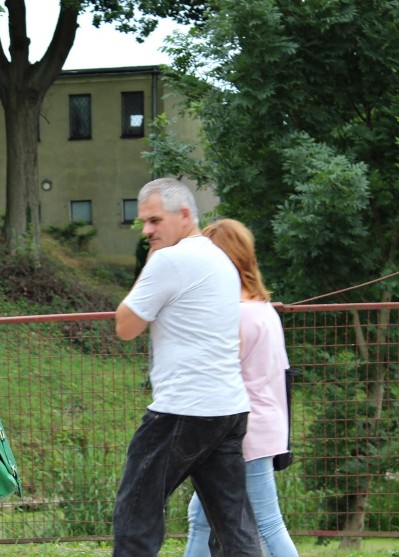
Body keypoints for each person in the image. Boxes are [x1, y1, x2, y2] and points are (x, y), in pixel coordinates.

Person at [112, 177, 260, 557]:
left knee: (136, 512)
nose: (146, 230)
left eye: (155, 221)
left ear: (184, 215)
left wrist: (148, 271)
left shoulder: (169, 260)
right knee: (234, 527)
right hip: (228, 408)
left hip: (181, 409)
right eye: (143, 222)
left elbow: (126, 327)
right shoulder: (220, 258)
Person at [184, 218, 299, 557]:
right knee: (201, 515)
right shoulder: (263, 310)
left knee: (267, 522)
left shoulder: (233, 314)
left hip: (243, 433)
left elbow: (212, 373)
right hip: (262, 427)